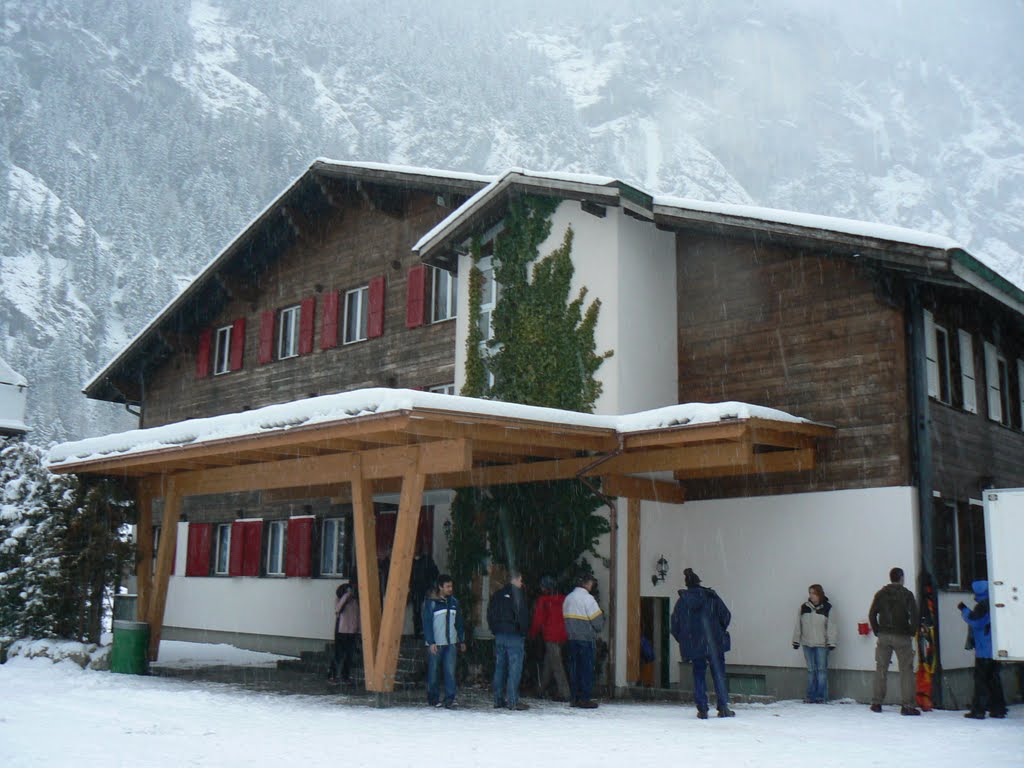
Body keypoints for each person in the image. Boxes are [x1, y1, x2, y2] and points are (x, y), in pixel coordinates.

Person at [670, 567, 734, 719]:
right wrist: (717, 631)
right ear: (699, 582)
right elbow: (726, 616)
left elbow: (675, 626)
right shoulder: (711, 597)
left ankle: (702, 709)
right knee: (718, 674)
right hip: (714, 643)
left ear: (687, 585)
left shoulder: (682, 602)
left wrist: (687, 640)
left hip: (695, 645)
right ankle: (723, 707)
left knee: (698, 675)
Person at [868, 566, 920, 715]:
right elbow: (914, 616)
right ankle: (907, 706)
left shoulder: (881, 594)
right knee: (906, 671)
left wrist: (878, 630)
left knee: (881, 669)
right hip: (902, 636)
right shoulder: (907, 594)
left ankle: (876, 703)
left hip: (884, 635)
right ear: (901, 578)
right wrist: (911, 631)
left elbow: (872, 614)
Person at [959, 580, 1007, 719]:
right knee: (994, 680)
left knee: (981, 681)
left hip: (984, 650)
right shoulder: (993, 603)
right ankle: (998, 709)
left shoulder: (982, 606)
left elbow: (976, 622)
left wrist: (964, 610)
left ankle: (978, 710)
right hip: (994, 648)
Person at [487, 570, 530, 710]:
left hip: (499, 634)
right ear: (516, 579)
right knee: (514, 669)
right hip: (514, 635)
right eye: (521, 580)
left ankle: (498, 699)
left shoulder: (497, 595)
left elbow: (490, 613)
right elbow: (523, 616)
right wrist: (523, 631)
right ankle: (512, 700)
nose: (522, 583)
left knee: (500, 667)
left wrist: (495, 629)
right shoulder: (518, 595)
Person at [422, 573, 466, 709]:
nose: (450, 589)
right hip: (436, 643)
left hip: (451, 643)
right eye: (447, 586)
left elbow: (459, 622)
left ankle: (449, 698)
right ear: (440, 587)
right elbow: (427, 623)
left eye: (451, 586)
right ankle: (433, 698)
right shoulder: (431, 603)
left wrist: (462, 640)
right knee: (433, 672)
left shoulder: (454, 602)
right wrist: (431, 641)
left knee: (450, 672)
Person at [562, 572, 604, 708]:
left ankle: (574, 698)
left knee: (574, 669)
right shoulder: (588, 599)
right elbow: (598, 623)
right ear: (587, 583)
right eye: (591, 583)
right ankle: (584, 698)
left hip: (571, 639)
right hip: (585, 639)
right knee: (586, 669)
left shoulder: (568, 598)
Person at [792, 583, 838, 703]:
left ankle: (821, 696)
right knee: (811, 670)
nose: (811, 596)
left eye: (814, 593)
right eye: (810, 593)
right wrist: (796, 640)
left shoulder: (827, 608)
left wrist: (831, 642)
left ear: (819, 594)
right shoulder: (804, 608)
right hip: (807, 643)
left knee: (821, 670)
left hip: (821, 644)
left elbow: (831, 626)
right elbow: (798, 624)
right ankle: (810, 696)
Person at [529, 575, 571, 701]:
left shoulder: (543, 601)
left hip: (550, 636)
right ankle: (540, 689)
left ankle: (565, 693)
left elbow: (538, 620)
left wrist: (532, 633)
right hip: (563, 635)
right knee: (549, 663)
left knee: (557, 666)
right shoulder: (564, 599)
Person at [328, 583, 360, 684]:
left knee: (349, 656)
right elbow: (338, 609)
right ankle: (332, 675)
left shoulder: (355, 602)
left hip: (352, 632)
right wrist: (345, 597)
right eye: (348, 591)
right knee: (339, 654)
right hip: (341, 631)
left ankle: (345, 676)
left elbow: (357, 616)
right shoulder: (340, 600)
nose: (351, 593)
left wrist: (359, 630)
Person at [410, 549, 439, 639]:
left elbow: (435, 573)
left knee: (423, 610)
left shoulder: (425, 561)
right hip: (418, 589)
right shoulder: (423, 561)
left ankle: (421, 632)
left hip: (424, 588)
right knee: (418, 610)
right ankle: (419, 632)